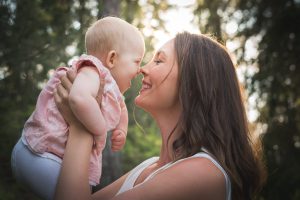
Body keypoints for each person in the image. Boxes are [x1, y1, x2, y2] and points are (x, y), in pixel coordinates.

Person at [54, 32, 266, 200]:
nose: (142, 70)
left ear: (191, 85)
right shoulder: (148, 167)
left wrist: (81, 125)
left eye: (158, 61)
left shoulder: (203, 173)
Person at [11, 16, 145, 200]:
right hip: (43, 155)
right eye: (137, 61)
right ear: (112, 58)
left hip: (49, 158)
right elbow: (78, 98)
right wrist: (98, 130)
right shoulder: (93, 71)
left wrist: (121, 129)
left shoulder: (111, 89)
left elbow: (121, 107)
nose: (140, 69)